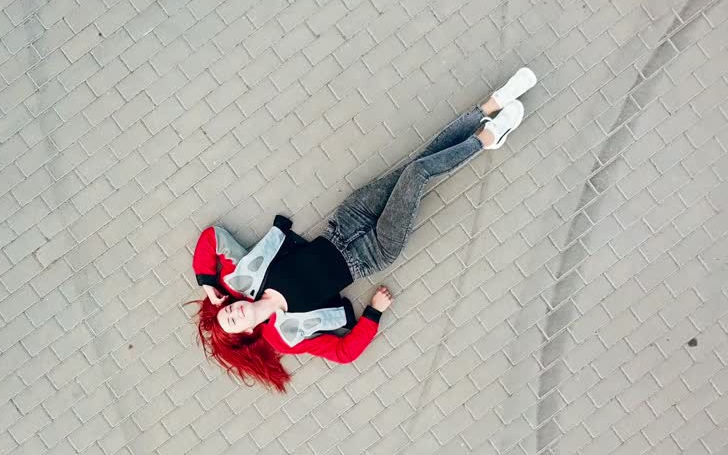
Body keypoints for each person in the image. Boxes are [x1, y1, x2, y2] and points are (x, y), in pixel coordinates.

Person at [192, 68, 539, 391]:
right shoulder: (286, 337)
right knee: (417, 175)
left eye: (227, 312)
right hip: (371, 253)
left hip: (345, 222)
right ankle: (486, 138)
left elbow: (213, 237)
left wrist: (207, 282)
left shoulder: (246, 279)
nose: (232, 313)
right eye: (232, 322)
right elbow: (344, 352)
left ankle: (491, 107)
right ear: (247, 332)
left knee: (414, 164)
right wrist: (374, 312)